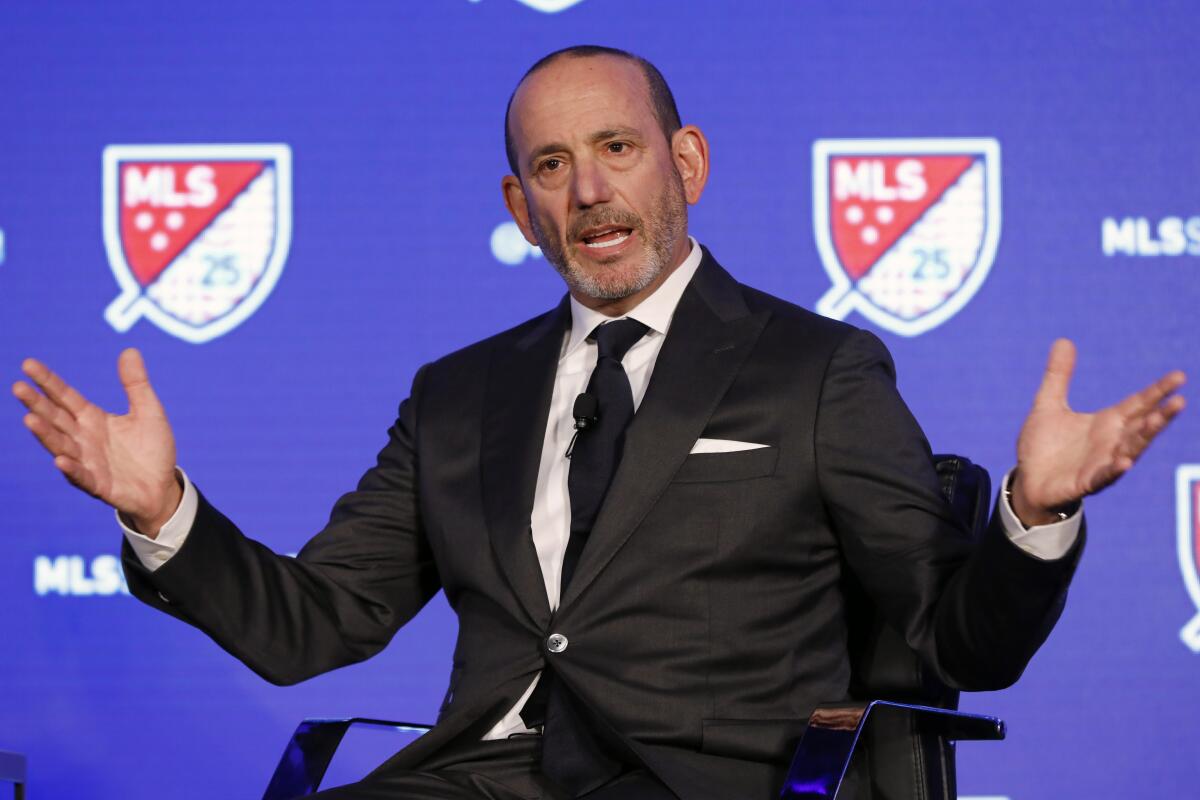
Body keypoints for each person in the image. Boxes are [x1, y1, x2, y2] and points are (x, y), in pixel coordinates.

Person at [13, 46, 1186, 800]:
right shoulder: (457, 394)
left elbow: (955, 641)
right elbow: (316, 625)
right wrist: (164, 512)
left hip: (708, 778)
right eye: (552, 166)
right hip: (477, 776)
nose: (589, 192)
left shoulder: (816, 366)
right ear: (521, 209)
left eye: (617, 150)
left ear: (687, 163)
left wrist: (1037, 513)